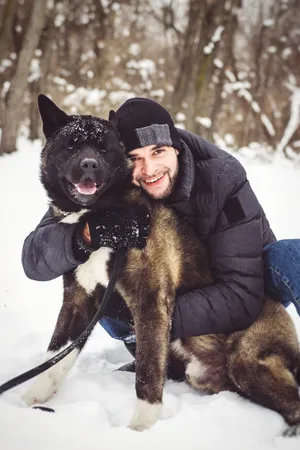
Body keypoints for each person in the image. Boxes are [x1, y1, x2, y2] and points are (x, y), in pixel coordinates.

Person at [22, 97, 300, 377]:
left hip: (247, 296)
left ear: (176, 148)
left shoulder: (221, 177)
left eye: (158, 152)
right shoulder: (109, 183)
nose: (150, 169)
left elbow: (241, 295)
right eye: (135, 159)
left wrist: (150, 317)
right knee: (98, 282)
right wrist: (85, 235)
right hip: (157, 304)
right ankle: (170, 358)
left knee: (290, 256)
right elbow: (34, 258)